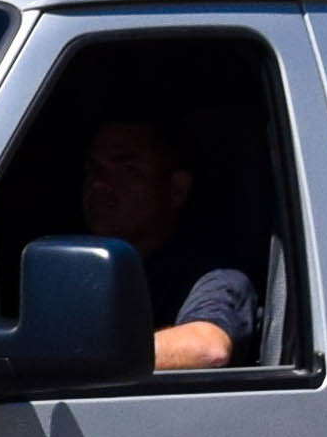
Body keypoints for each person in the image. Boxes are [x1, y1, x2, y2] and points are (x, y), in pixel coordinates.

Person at [75, 118, 255, 371]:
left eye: (126, 170)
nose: (98, 184)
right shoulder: (80, 271)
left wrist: (74, 361)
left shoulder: (213, 275)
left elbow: (208, 347)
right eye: (93, 170)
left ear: (176, 190)